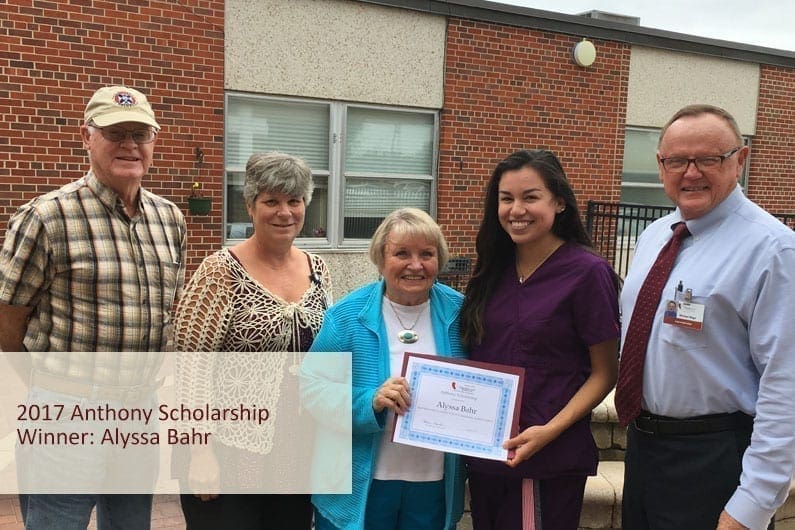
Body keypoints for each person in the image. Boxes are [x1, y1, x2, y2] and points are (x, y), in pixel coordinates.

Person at [0, 86, 186, 529]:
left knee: (130, 523)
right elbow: (8, 321)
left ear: (154, 140)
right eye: (114, 133)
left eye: (140, 134)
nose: (129, 145)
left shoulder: (169, 219)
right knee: (56, 522)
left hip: (140, 411)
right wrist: (52, 386)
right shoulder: (46, 217)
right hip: (67, 410)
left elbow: (167, 311)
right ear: (87, 137)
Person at [618, 104, 795, 530]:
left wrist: (751, 505)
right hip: (644, 451)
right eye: (677, 160)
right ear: (661, 165)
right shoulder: (655, 236)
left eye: (709, 159)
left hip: (716, 460)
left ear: (740, 160)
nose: (691, 172)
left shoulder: (774, 251)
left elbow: (785, 385)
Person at [459, 149, 620, 530]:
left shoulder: (587, 273)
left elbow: (604, 373)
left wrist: (549, 431)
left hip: (545, 458)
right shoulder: (491, 270)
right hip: (486, 453)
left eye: (530, 197)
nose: (517, 209)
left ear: (559, 202)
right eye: (506, 198)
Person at [172, 151, 332, 530]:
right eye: (271, 201)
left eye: (294, 201)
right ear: (250, 205)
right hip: (227, 450)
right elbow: (190, 369)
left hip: (294, 454)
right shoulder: (219, 272)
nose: (285, 212)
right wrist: (200, 454)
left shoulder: (318, 269)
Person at [304, 207, 466, 530]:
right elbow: (310, 389)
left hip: (433, 483)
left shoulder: (462, 314)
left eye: (427, 254)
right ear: (380, 259)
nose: (415, 265)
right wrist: (371, 400)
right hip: (359, 483)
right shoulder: (347, 317)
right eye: (402, 253)